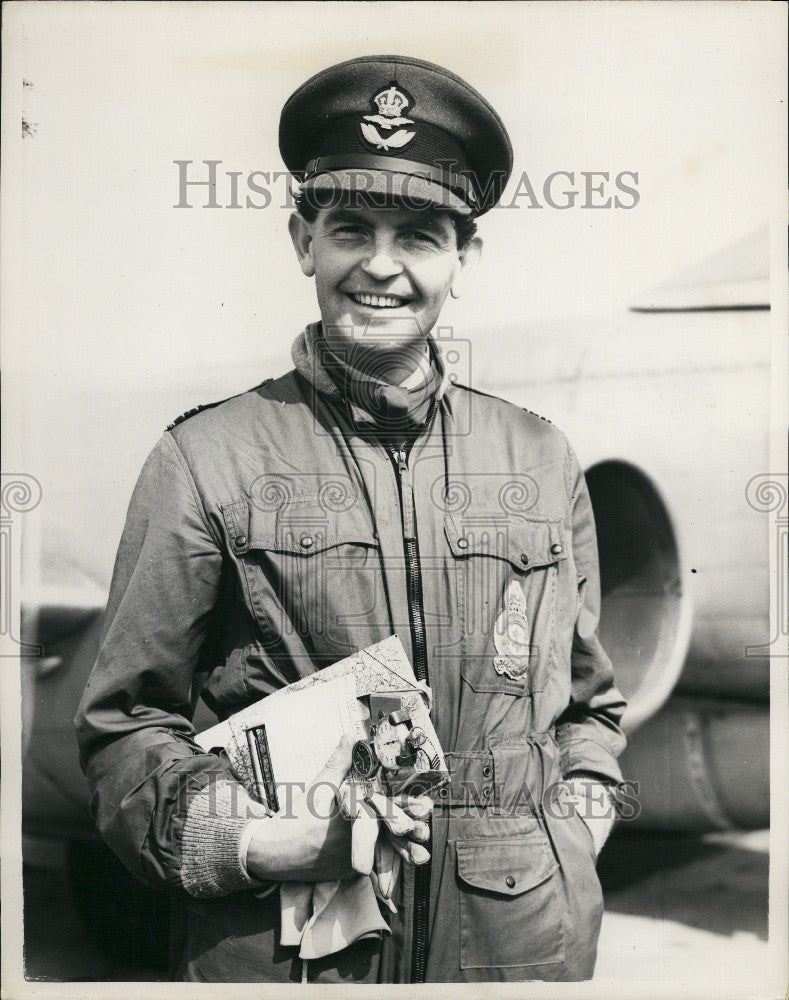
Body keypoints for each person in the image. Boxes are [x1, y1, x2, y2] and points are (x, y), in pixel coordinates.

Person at [75, 54, 627, 983]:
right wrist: (280, 844)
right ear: (303, 241)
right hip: (291, 954)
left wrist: (577, 827)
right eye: (349, 229)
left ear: (464, 257)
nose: (380, 264)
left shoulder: (539, 457)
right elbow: (126, 727)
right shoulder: (206, 458)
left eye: (416, 233)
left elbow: (586, 705)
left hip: (516, 951)